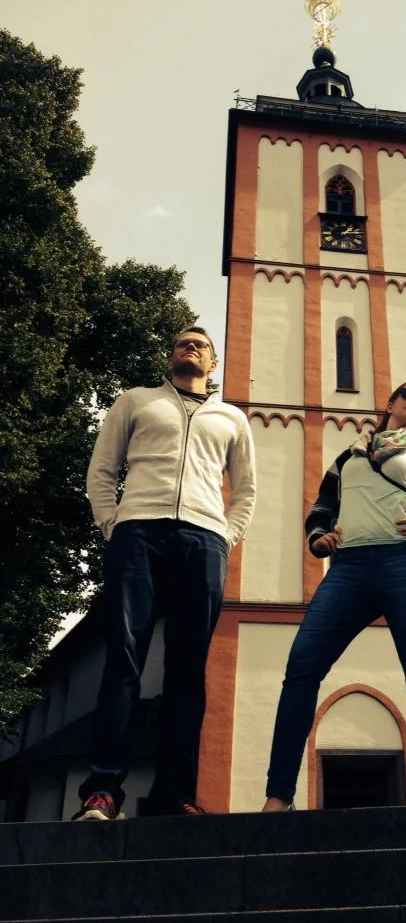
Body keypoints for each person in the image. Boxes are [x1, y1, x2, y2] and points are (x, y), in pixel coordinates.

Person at [262, 378, 406, 811]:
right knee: (301, 668)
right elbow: (322, 505)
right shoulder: (351, 454)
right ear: (389, 403)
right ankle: (279, 797)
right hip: (349, 568)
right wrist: (318, 538)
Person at [72, 326, 256, 820]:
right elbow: (102, 470)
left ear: (213, 364)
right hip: (138, 533)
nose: (189, 347)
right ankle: (104, 790)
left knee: (188, 670)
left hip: (204, 540)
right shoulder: (136, 401)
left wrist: (225, 536)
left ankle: (173, 795)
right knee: (124, 660)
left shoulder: (231, 418)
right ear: (171, 356)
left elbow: (246, 491)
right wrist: (114, 525)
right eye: (181, 342)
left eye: (200, 344)